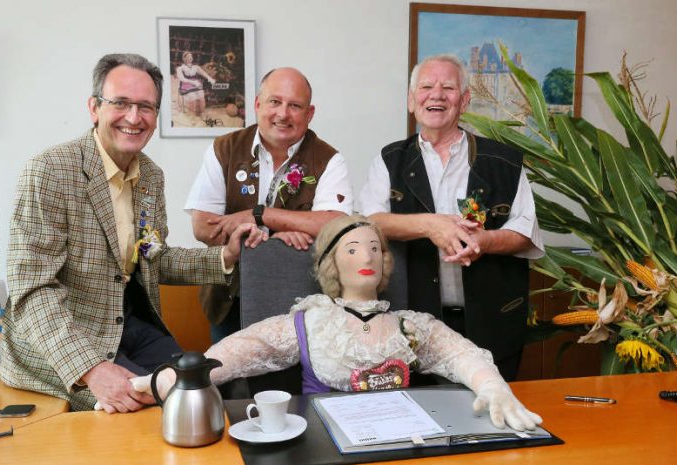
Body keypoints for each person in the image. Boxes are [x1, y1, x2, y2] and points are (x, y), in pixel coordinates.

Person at [0, 53, 266, 413]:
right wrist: (90, 369)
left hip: (127, 324)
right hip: (62, 339)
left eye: (145, 106)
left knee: (214, 388)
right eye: (121, 103)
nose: (133, 117)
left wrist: (226, 256)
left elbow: (155, 256)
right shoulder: (49, 171)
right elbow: (32, 290)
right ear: (94, 108)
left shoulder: (150, 176)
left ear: (156, 116)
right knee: (168, 408)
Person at [139, 215, 542, 431]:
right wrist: (165, 382)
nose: (367, 258)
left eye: (375, 249)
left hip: (402, 439)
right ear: (332, 262)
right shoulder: (308, 322)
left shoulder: (410, 327)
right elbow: (231, 355)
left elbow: (460, 354)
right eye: (353, 249)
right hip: (324, 445)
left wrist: (492, 386)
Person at [358, 54, 544, 381]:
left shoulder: (504, 162)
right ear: (412, 101)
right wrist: (431, 225)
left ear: (465, 101)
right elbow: (371, 221)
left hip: (492, 323)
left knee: (491, 417)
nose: (437, 95)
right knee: (419, 419)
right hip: (412, 325)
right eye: (427, 86)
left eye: (448, 87)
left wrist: (483, 241)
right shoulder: (389, 159)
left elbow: (525, 231)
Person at [185, 67, 353, 342]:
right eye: (275, 102)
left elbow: (336, 225)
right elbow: (203, 226)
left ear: (309, 114)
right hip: (229, 301)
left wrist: (260, 215)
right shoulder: (224, 148)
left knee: (296, 385)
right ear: (257, 104)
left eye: (295, 106)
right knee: (230, 381)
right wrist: (275, 238)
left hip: (303, 304)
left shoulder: (329, 159)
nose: (283, 114)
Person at [176, 51, 216, 117]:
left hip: (196, 84)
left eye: (191, 56)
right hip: (186, 85)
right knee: (193, 97)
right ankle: (192, 115)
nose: (190, 58)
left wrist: (210, 78)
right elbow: (182, 79)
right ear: (184, 58)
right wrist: (193, 82)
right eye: (188, 57)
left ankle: (202, 112)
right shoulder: (180, 68)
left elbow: (203, 73)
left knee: (201, 96)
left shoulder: (195, 67)